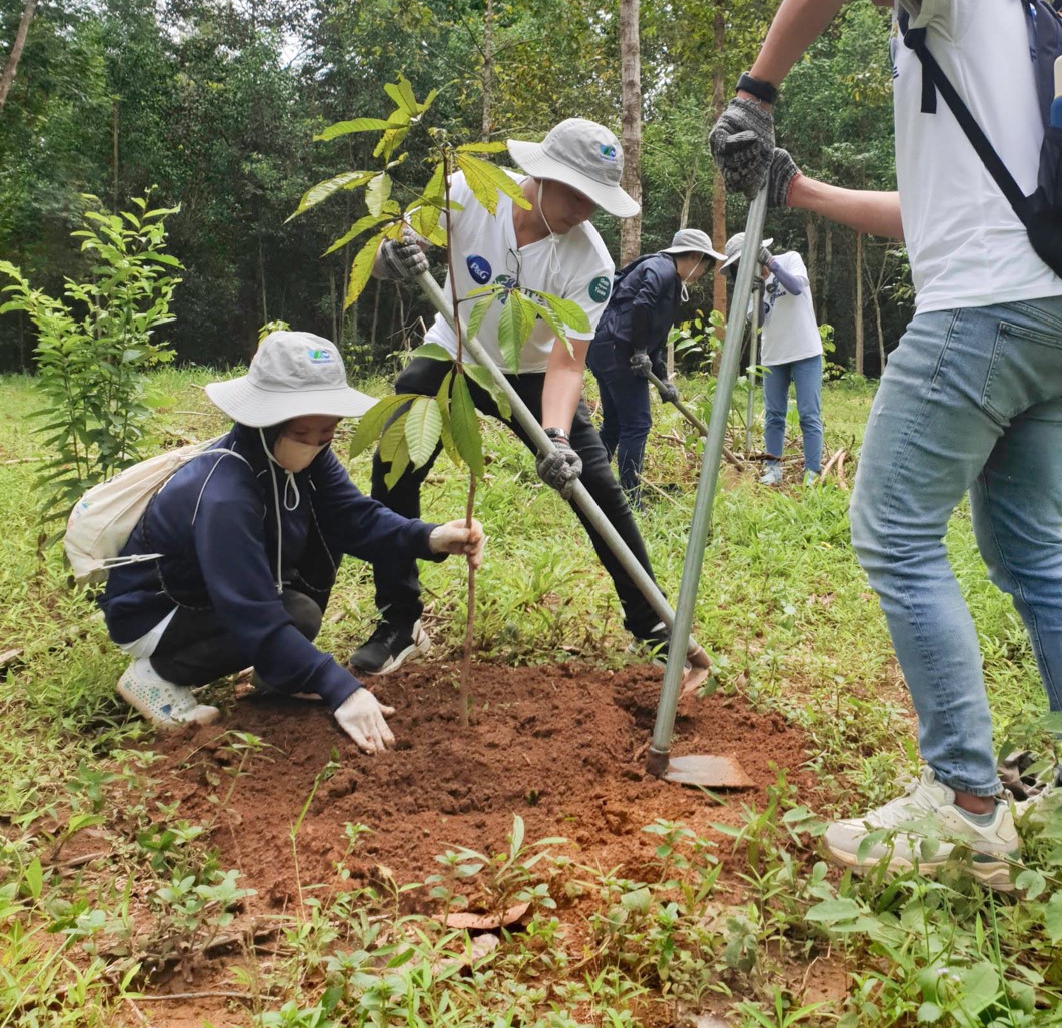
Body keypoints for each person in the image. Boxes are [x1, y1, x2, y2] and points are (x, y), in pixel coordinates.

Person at [709, 0, 1062, 889]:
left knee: (890, 526)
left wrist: (756, 94)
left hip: (984, 314)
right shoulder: (965, 38)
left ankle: (968, 804)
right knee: (1029, 549)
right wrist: (797, 190)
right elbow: (921, 215)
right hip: (1055, 311)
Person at [351, 118, 675, 675]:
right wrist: (392, 261)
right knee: (395, 454)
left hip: (532, 371)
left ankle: (651, 625)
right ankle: (399, 618)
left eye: (597, 200)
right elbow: (392, 248)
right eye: (576, 194)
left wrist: (554, 437)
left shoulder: (591, 263)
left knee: (594, 483)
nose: (584, 210)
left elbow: (567, 362)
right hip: (454, 344)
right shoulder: (469, 188)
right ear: (539, 174)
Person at [100, 332, 484, 754]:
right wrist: (342, 690)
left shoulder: (306, 458)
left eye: (328, 433)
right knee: (282, 623)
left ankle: (280, 668)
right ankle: (157, 674)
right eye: (305, 431)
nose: (317, 443)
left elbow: (355, 517)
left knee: (298, 614)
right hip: (158, 613)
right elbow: (254, 617)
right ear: (267, 418)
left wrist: (429, 537)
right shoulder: (225, 493)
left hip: (218, 594)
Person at [586, 227, 724, 506]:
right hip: (618, 351)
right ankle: (630, 498)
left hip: (605, 349)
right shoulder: (661, 269)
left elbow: (655, 339)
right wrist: (638, 351)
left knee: (614, 423)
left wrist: (663, 381)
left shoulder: (667, 278)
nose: (701, 275)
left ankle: (590, 484)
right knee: (637, 424)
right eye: (705, 267)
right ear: (696, 257)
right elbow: (642, 306)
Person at [721, 231, 823, 487]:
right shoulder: (752, 285)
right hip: (773, 356)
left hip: (805, 350)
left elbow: (798, 287)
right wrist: (757, 294)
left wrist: (772, 265)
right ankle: (773, 468)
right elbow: (758, 322)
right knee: (774, 415)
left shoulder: (790, 259)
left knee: (809, 413)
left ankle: (812, 470)